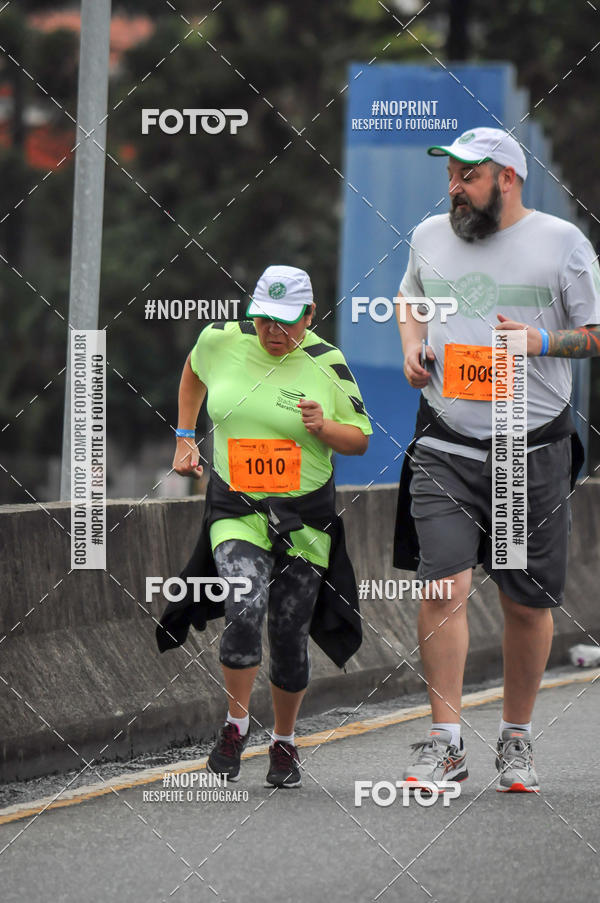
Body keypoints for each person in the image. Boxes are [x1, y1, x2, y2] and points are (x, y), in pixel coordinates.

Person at [394, 127, 600, 792]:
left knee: (522, 602)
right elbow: (410, 299)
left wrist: (540, 339)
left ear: (506, 177)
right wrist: (413, 346)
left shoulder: (562, 245)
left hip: (527, 449)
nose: (453, 187)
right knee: (442, 585)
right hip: (445, 444)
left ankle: (515, 737)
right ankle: (445, 740)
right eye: (450, 174)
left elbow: (596, 336)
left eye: (467, 176)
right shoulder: (430, 235)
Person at [157, 264, 371, 788]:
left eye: (284, 321)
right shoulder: (220, 340)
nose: (272, 332)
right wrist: (185, 437)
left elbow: (361, 438)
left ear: (309, 315)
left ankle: (285, 741)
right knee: (243, 604)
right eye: (263, 320)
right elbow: (192, 370)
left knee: (289, 633)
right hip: (237, 508)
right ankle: (234, 725)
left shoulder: (328, 362)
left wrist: (325, 427)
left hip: (305, 520)